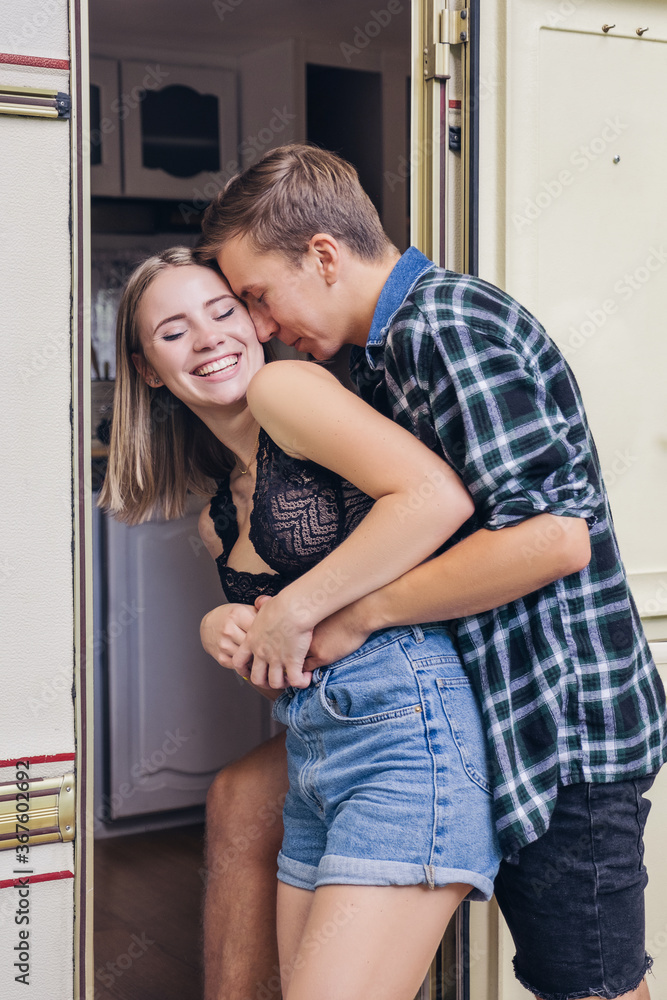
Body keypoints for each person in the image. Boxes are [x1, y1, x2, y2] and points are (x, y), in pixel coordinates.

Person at [196, 144, 667, 1000]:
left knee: (589, 989)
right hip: (511, 718)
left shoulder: (447, 325)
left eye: (258, 297)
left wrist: (358, 612)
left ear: (325, 256)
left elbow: (554, 538)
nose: (258, 328)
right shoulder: (378, 356)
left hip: (565, 726)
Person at [99, 246, 504, 1000]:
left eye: (223, 312)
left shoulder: (289, 389)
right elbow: (292, 665)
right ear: (148, 368)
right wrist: (229, 630)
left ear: (256, 320)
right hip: (317, 755)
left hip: (405, 740)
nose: (209, 338)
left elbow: (437, 500)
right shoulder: (219, 517)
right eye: (173, 331)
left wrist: (291, 607)